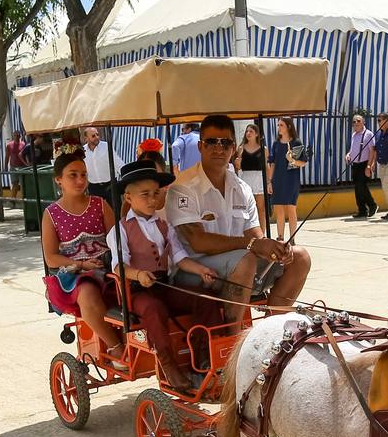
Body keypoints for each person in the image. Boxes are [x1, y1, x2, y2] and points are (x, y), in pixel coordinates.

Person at [166, 113, 311, 314]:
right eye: (211, 142)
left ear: (233, 148)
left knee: (300, 257)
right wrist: (252, 245)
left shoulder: (242, 189)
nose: (219, 148)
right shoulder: (183, 188)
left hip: (240, 266)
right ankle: (233, 341)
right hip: (194, 270)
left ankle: (272, 328)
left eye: (225, 143)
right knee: (245, 260)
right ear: (200, 146)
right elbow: (198, 241)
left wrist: (274, 249)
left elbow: (255, 236)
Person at [107, 161, 225, 392]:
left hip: (163, 284)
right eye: (145, 195)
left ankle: (203, 361)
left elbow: (180, 258)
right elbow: (118, 266)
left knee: (205, 297)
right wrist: (138, 274)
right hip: (137, 292)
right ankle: (169, 366)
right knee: (154, 309)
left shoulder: (164, 225)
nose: (153, 200)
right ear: (129, 198)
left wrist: (201, 270)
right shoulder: (120, 229)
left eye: (156, 194)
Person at [40, 147, 126, 368]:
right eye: (73, 175)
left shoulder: (99, 204)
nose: (80, 180)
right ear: (59, 179)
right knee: (87, 292)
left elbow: (117, 238)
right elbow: (51, 257)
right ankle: (115, 346)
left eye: (83, 175)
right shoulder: (51, 214)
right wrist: (80, 264)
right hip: (76, 273)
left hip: (107, 264)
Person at [267, 118, 307, 240]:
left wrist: (292, 160)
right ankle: (280, 237)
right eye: (278, 125)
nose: (279, 127)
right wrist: (269, 181)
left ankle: (292, 238)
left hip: (291, 179)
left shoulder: (296, 142)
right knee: (279, 209)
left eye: (281, 125)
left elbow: (303, 163)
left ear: (289, 126)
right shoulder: (276, 144)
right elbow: (272, 163)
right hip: (278, 179)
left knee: (291, 208)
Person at [233, 123, 267, 228]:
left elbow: (266, 166)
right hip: (246, 178)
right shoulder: (241, 148)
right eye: (247, 131)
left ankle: (262, 233)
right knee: (246, 207)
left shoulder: (263, 149)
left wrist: (269, 181)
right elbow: (237, 167)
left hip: (259, 178)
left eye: (251, 131)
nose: (248, 133)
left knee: (260, 208)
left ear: (257, 134)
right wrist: (238, 159)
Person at [346, 113, 377, 219]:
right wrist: (348, 155)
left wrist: (369, 166)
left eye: (358, 121)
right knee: (358, 188)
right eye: (354, 121)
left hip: (364, 163)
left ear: (363, 122)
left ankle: (372, 205)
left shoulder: (368, 134)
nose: (356, 123)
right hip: (355, 164)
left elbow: (372, 151)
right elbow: (352, 148)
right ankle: (362, 210)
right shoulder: (354, 135)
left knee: (361, 186)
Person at [83, 127, 123, 199]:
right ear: (86, 139)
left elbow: (117, 163)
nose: (97, 137)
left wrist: (127, 175)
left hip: (110, 185)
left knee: (115, 209)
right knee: (98, 209)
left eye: (97, 134)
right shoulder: (83, 151)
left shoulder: (106, 146)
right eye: (93, 136)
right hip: (94, 188)